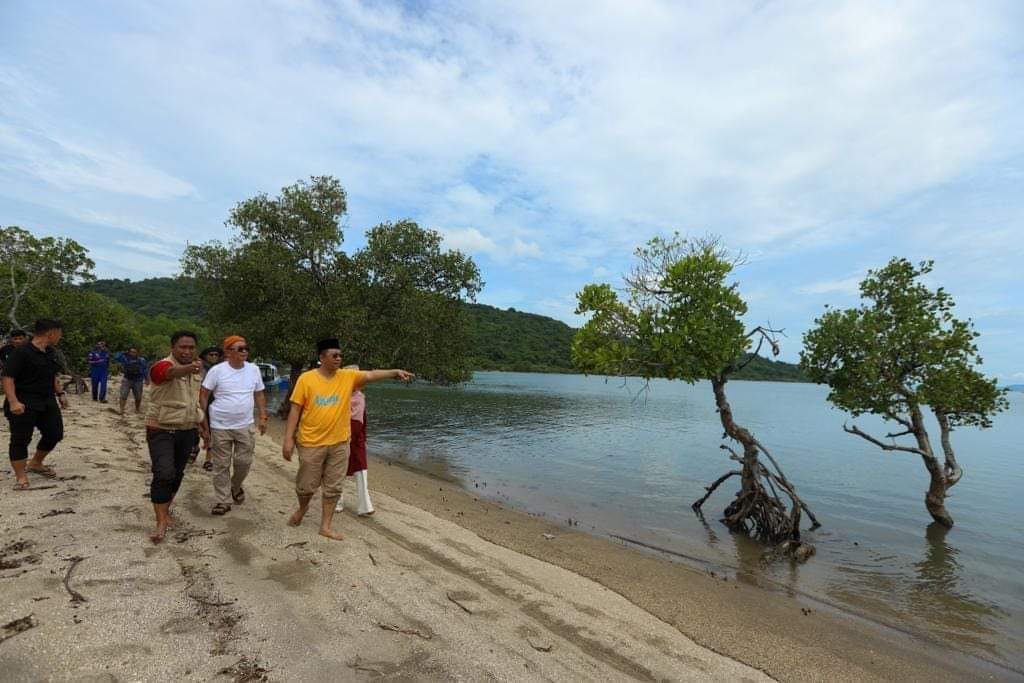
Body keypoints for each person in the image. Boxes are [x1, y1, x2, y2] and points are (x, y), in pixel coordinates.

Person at [282, 338, 412, 540]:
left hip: (340, 442)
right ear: (322, 357)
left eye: (341, 355)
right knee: (306, 487)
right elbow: (295, 409)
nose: (339, 359)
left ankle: (325, 526)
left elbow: (370, 375)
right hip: (311, 442)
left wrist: (394, 372)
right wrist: (288, 439)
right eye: (335, 355)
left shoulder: (347, 377)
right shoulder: (306, 379)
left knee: (334, 487)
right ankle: (302, 508)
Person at [145, 331, 207, 543]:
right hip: (161, 428)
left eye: (191, 348)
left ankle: (165, 510)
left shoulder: (197, 371)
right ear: (172, 348)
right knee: (164, 472)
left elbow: (196, 401)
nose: (187, 351)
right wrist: (189, 368)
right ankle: (160, 521)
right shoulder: (161, 366)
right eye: (183, 347)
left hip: (188, 428)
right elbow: (169, 373)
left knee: (177, 473)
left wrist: (204, 429)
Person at [200, 336, 267, 516]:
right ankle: (223, 500)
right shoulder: (217, 371)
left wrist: (263, 416)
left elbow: (259, 394)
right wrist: (202, 421)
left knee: (243, 462)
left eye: (246, 348)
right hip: (220, 425)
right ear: (228, 352)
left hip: (245, 425)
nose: (244, 352)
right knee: (221, 464)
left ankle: (235, 485)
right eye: (240, 349)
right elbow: (204, 394)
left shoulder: (253, 370)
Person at [1, 319, 68, 489]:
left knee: (55, 433)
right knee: (20, 439)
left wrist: (60, 393)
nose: (60, 337)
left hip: (46, 400)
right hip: (23, 400)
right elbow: (7, 377)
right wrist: (13, 401)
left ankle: (36, 463)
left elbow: (52, 375)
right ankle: (21, 477)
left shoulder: (50, 352)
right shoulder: (21, 352)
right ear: (51, 333)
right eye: (59, 333)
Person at [336, 365, 373, 516]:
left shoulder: (360, 397)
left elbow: (361, 421)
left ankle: (365, 506)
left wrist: (363, 438)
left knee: (361, 471)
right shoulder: (338, 395)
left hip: (356, 440)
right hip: (339, 438)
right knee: (337, 471)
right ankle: (337, 501)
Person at [195, 346, 222, 470]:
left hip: (212, 401)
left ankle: (208, 458)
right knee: (194, 427)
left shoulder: (220, 369)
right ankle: (193, 447)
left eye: (216, 355)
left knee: (211, 429)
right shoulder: (198, 367)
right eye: (211, 354)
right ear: (205, 355)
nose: (214, 357)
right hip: (195, 399)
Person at [114, 346, 149, 415]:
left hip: (138, 380)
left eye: (134, 352)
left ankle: (137, 409)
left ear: (137, 353)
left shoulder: (141, 360)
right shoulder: (125, 359)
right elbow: (116, 357)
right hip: (127, 379)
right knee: (123, 395)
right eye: (131, 352)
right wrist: (124, 352)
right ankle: (121, 410)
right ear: (129, 352)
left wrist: (147, 379)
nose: (133, 353)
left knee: (138, 396)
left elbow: (145, 369)